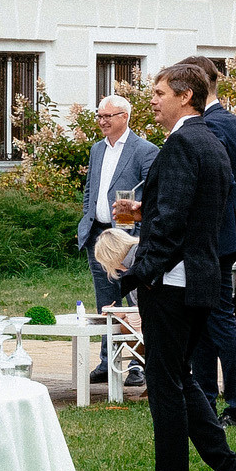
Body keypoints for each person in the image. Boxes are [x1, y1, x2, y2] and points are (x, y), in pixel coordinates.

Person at [121, 62, 236, 471]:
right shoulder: (210, 140)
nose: (152, 101)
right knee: (177, 374)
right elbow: (193, 209)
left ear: (186, 96)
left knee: (165, 384)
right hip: (200, 277)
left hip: (173, 282)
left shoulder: (182, 143)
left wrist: (139, 272)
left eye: (160, 93)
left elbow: (172, 223)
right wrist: (146, 211)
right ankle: (228, 468)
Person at [175, 55, 236, 427]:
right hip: (232, 232)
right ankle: (207, 399)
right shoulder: (233, 121)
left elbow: (221, 180)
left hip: (214, 235)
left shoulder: (208, 126)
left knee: (221, 320)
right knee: (210, 316)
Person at [75, 95, 156, 382]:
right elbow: (91, 189)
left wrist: (137, 225)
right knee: (106, 303)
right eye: (99, 116)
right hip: (99, 235)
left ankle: (137, 365)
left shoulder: (145, 150)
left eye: (108, 116)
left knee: (136, 301)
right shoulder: (97, 149)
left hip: (128, 238)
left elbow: (152, 194)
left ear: (125, 116)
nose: (102, 121)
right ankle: (107, 362)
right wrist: (88, 215)